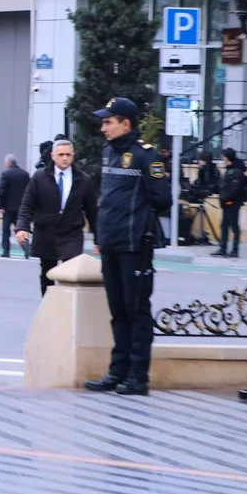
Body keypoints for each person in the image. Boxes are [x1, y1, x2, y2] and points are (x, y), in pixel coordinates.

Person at [83, 98, 171, 397]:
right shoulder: (109, 152)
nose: (103, 127)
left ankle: (137, 376)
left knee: (136, 310)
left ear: (126, 124)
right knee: (118, 311)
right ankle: (117, 371)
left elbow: (162, 199)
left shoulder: (148, 157)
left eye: (109, 121)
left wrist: (136, 219)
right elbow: (106, 200)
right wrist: (101, 236)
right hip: (110, 244)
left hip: (135, 245)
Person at [15, 140, 98, 295]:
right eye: (61, 155)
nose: (64, 158)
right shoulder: (39, 178)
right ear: (53, 156)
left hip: (71, 234)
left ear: (73, 156)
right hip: (46, 233)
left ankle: (68, 309)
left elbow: (92, 211)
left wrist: (99, 239)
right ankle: (49, 310)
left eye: (68, 154)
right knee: (47, 274)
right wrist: (22, 227)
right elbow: (27, 205)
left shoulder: (83, 180)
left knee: (70, 273)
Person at [213, 148, 247, 258]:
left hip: (233, 203)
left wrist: (224, 196)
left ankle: (234, 250)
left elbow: (234, 189)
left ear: (227, 157)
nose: (222, 158)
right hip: (227, 202)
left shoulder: (236, 171)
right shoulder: (230, 169)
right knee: (224, 226)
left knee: (234, 227)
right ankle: (223, 248)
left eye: (223, 156)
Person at [0, 154, 30, 259]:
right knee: (21, 229)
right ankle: (26, 247)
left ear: (8, 163)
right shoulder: (25, 174)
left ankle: (6, 251)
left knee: (6, 230)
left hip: (8, 208)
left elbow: (1, 191)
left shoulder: (6, 174)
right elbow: (29, 191)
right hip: (21, 208)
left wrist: (0, 205)